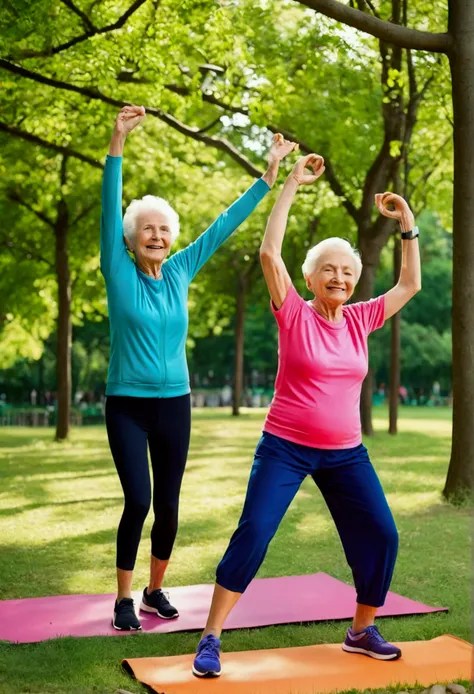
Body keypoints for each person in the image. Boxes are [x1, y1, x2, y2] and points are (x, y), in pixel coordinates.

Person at [193, 153, 422, 676]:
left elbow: (409, 285)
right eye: (329, 270)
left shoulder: (362, 318)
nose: (338, 276)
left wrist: (407, 225)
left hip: (346, 454)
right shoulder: (293, 311)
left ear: (355, 278)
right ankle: (211, 636)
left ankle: (361, 630)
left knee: (382, 534)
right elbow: (269, 252)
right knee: (254, 532)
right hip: (286, 447)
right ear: (312, 278)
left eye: (347, 271)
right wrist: (292, 182)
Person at [101, 105, 297, 631]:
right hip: (126, 404)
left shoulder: (182, 268)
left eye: (164, 229)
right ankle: (122, 598)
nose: (158, 236)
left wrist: (268, 175)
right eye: (147, 229)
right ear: (129, 237)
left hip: (176, 404)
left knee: (168, 505)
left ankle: (154, 590)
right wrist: (118, 140)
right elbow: (108, 204)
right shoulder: (117, 269)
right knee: (137, 500)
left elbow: (222, 226)